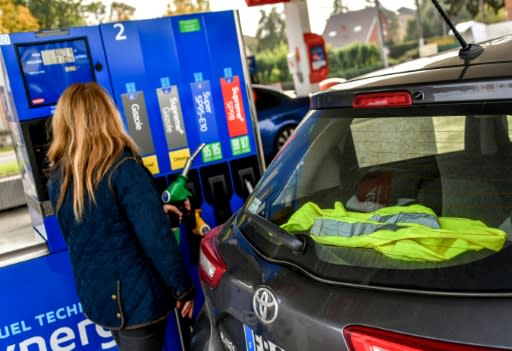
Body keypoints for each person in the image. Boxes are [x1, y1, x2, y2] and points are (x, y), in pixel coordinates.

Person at [47, 82, 195, 351]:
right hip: (137, 302)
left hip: (103, 299)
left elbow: (94, 227)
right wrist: (183, 289)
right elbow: (157, 239)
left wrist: (155, 210)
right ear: (108, 116)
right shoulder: (123, 168)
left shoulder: (60, 177)